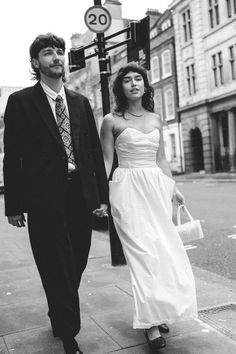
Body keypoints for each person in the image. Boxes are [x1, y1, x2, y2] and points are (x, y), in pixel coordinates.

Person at [3, 33, 108, 354]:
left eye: (60, 52)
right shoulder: (21, 102)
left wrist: (101, 197)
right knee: (54, 263)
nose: (56, 58)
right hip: (43, 199)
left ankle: (59, 308)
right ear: (36, 62)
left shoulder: (80, 102)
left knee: (75, 262)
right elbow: (14, 155)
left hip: (80, 195)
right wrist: (14, 205)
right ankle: (68, 334)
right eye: (48, 53)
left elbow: (92, 151)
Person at [100, 62, 197, 352]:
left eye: (138, 79)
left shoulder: (156, 119)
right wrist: (102, 197)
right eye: (127, 80)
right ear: (121, 88)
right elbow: (106, 161)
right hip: (127, 190)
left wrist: (174, 188)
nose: (133, 83)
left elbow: (161, 159)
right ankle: (150, 324)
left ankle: (159, 310)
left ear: (145, 84)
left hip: (156, 188)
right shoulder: (111, 120)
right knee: (141, 256)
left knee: (163, 254)